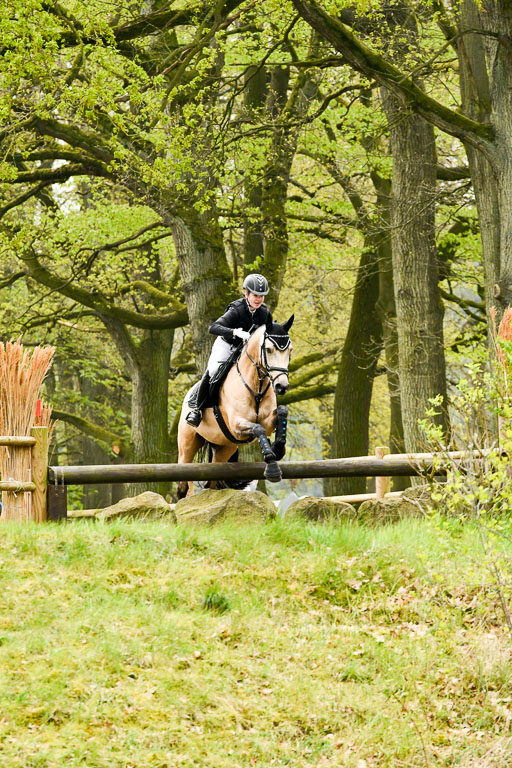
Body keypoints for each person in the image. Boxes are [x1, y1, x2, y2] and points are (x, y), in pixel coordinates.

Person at [185, 274, 273, 426]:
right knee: (213, 370)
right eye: (255, 295)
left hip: (246, 351)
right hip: (227, 346)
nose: (258, 299)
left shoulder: (265, 313)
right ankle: (197, 410)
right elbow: (213, 328)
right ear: (246, 293)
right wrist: (234, 332)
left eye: (262, 296)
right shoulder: (236, 309)